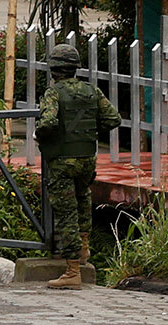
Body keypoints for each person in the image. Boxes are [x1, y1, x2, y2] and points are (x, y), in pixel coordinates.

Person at [36, 39, 121, 290]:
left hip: (62, 160)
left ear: (53, 70)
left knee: (66, 213)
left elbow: (48, 122)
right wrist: (91, 131)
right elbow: (113, 119)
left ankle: (72, 270)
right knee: (84, 200)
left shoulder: (54, 92)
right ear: (76, 68)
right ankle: (84, 248)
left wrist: (41, 134)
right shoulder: (92, 91)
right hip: (87, 157)